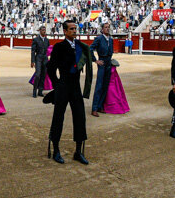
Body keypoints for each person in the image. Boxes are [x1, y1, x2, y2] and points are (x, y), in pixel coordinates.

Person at [47, 20, 93, 165]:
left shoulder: (80, 46)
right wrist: (57, 85)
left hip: (75, 87)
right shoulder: (59, 47)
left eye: (75, 28)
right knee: (58, 117)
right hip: (63, 86)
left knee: (80, 117)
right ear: (65, 31)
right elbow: (51, 68)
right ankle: (56, 150)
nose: (74, 31)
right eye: (71, 29)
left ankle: (78, 152)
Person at [89, 23, 113, 117]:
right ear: (102, 29)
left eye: (108, 27)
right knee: (99, 86)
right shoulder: (99, 38)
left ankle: (100, 106)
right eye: (105, 27)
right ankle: (94, 109)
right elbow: (90, 49)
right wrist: (95, 60)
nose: (107, 29)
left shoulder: (111, 39)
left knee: (105, 86)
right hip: (102, 62)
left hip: (108, 63)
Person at [30, 26, 51, 98]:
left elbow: (48, 50)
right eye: (42, 30)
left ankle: (40, 91)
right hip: (38, 58)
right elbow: (33, 51)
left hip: (45, 59)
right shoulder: (35, 39)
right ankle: (34, 91)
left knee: (43, 75)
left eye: (45, 30)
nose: (44, 31)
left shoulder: (47, 40)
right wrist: (32, 61)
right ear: (40, 31)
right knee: (37, 75)